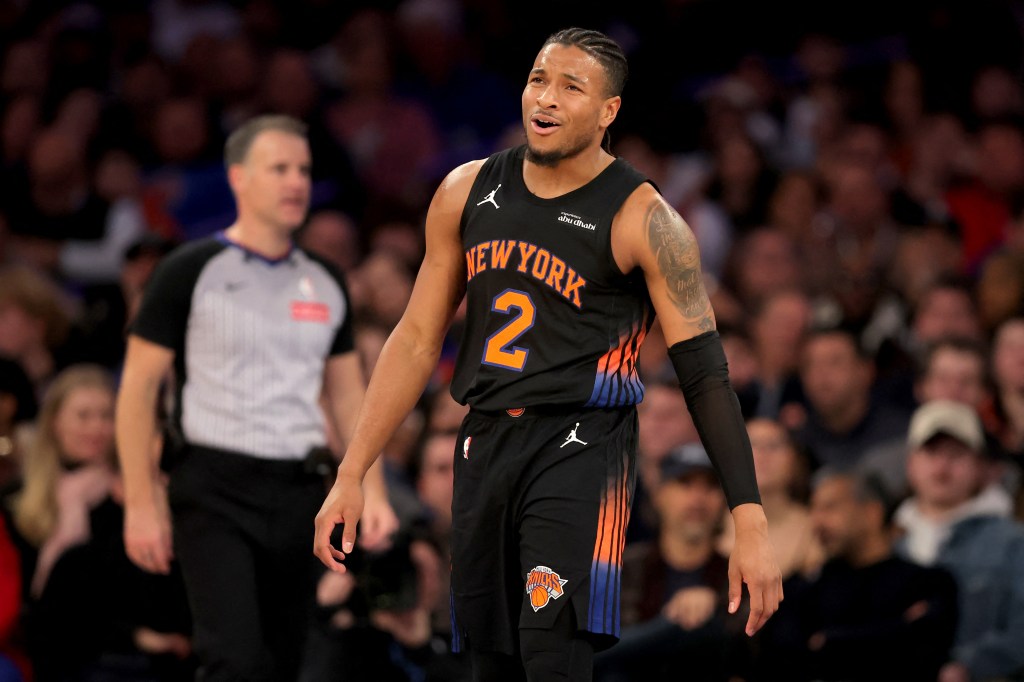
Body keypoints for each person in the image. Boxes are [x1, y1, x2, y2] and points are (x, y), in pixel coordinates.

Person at [313, 28, 782, 682]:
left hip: (581, 446)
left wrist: (750, 518)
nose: (548, 97)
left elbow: (705, 375)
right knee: (488, 664)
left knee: (551, 655)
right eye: (539, 79)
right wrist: (354, 470)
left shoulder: (645, 218)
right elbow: (417, 338)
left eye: (572, 86)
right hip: (484, 443)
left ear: (608, 112)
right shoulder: (465, 190)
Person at [115, 114, 398, 682]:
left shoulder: (325, 279)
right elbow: (137, 390)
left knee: (285, 660)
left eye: (303, 170)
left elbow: (349, 397)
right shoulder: (188, 270)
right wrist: (142, 503)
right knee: (234, 661)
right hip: (212, 487)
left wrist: (375, 491)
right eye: (279, 169)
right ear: (239, 177)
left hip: (299, 489)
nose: (296, 182)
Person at [753, 468, 958, 681]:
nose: (816, 521)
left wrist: (828, 641)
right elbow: (778, 659)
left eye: (830, 507)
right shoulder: (804, 588)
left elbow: (923, 656)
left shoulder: (927, 582)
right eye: (813, 508)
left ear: (872, 513)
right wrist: (897, 629)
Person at [893, 399, 1024, 682]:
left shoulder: (1012, 541)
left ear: (980, 465)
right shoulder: (886, 539)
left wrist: (969, 668)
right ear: (911, 463)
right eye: (931, 452)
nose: (942, 467)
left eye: (956, 454)